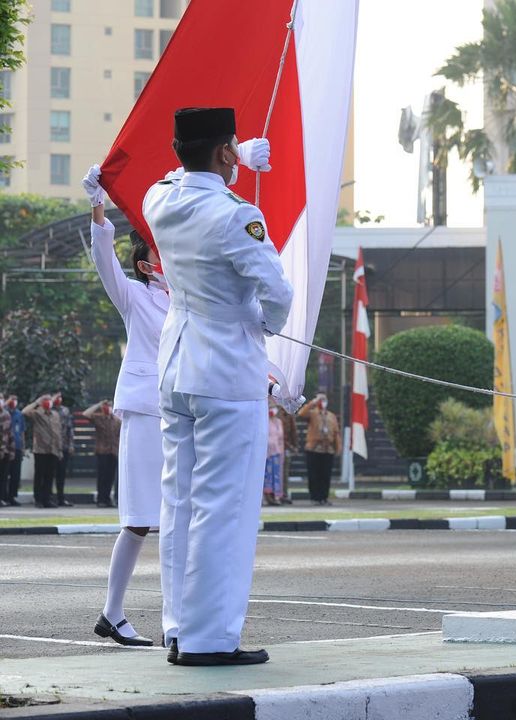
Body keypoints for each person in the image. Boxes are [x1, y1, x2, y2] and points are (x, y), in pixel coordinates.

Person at [144, 107, 292, 666]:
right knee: (222, 508)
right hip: (227, 368)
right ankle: (210, 639)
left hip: (177, 363)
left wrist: (231, 156)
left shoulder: (162, 199)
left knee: (179, 503)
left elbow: (178, 173)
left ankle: (179, 628)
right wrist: (261, 322)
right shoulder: (237, 215)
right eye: (233, 147)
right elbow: (276, 291)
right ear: (225, 152)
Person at [83, 163, 174, 647]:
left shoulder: (187, 300)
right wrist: (99, 204)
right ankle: (112, 613)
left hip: (183, 414)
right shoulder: (135, 296)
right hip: (145, 410)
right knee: (140, 518)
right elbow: (104, 261)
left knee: (180, 521)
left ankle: (175, 622)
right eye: (162, 253)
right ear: (145, 265)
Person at [298, 394, 341, 505]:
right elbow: (301, 413)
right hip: (313, 449)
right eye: (320, 400)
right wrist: (313, 402)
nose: (323, 402)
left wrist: (338, 447)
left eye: (324, 400)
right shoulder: (312, 413)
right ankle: (315, 498)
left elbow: (336, 433)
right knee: (314, 475)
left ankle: (324, 497)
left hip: (328, 449)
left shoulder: (331, 416)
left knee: (325, 475)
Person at [23, 395, 63, 509]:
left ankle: (47, 499)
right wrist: (37, 402)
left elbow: (58, 432)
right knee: (39, 476)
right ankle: (38, 499)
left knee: (49, 476)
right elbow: (25, 411)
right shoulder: (38, 413)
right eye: (45, 400)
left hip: (53, 449)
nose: (47, 402)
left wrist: (59, 449)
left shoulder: (55, 415)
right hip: (41, 450)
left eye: (49, 400)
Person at [83, 401, 121, 507]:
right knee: (102, 477)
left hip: (113, 451)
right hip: (102, 451)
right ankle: (101, 499)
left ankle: (107, 499)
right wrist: (98, 405)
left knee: (110, 477)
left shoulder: (116, 420)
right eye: (106, 406)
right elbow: (86, 414)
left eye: (109, 406)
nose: (107, 408)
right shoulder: (99, 418)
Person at [52, 392, 75, 507]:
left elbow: (70, 428)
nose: (58, 399)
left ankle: (61, 498)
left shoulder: (65, 411)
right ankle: (48, 498)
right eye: (56, 397)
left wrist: (71, 444)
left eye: (60, 397)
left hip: (64, 445)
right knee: (49, 474)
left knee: (61, 474)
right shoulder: (48, 410)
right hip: (51, 447)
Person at [5, 395, 24, 506]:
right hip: (6, 447)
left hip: (17, 447)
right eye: (12, 399)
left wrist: (22, 447)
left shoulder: (19, 414)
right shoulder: (4, 412)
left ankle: (12, 496)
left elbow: (21, 431)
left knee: (15, 474)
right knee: (4, 474)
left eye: (15, 399)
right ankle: (4, 496)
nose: (14, 402)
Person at [264, 403, 284, 506]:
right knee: (266, 476)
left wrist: (281, 452)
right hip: (265, 453)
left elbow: (280, 439)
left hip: (276, 452)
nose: (273, 410)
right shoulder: (264, 421)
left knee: (275, 476)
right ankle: (265, 497)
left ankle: (275, 496)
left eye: (274, 408)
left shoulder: (278, 422)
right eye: (270, 408)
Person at [0, 393, 12, 507]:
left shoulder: (6, 414)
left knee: (3, 477)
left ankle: (2, 498)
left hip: (5, 451)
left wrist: (10, 450)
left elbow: (9, 433)